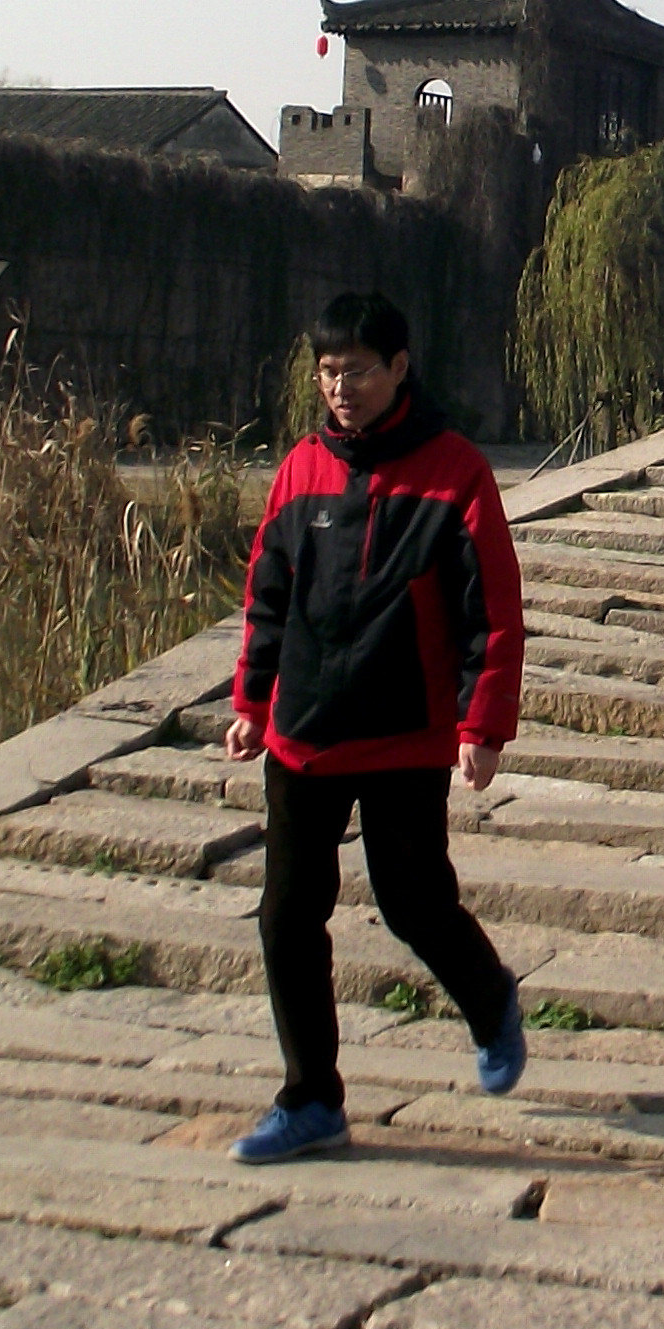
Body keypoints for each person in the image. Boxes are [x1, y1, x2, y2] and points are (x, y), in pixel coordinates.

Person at [220, 290, 527, 1164]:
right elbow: (267, 597)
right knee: (287, 916)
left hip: (406, 729)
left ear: (399, 368)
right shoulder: (300, 472)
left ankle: (490, 1000)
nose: (341, 388)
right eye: (327, 372)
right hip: (303, 729)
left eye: (357, 369)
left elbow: (491, 610)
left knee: (413, 901)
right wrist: (251, 703)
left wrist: (483, 722)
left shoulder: (455, 471)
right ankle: (310, 1095)